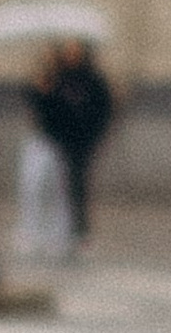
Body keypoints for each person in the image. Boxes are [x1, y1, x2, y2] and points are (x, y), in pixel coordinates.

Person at [29, 37, 114, 254]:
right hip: (58, 140)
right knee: (50, 185)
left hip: (82, 142)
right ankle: (54, 231)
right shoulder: (56, 78)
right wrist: (40, 90)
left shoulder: (93, 79)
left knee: (76, 185)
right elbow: (43, 108)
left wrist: (95, 136)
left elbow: (103, 109)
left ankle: (78, 231)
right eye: (69, 50)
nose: (72, 54)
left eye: (75, 50)